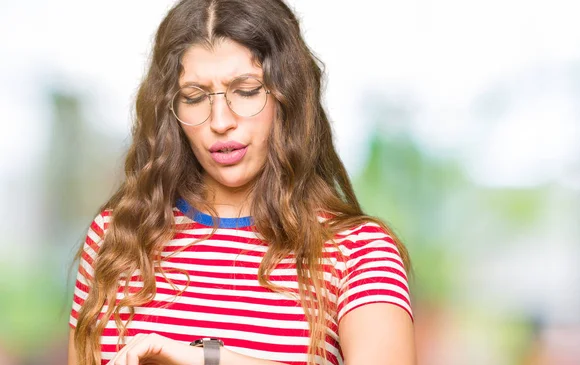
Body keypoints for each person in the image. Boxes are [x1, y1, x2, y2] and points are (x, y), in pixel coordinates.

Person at [68, 0, 416, 364]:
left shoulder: (357, 252)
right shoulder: (117, 236)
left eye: (246, 91)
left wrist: (205, 359)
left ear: (288, 96)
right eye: (194, 97)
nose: (220, 120)